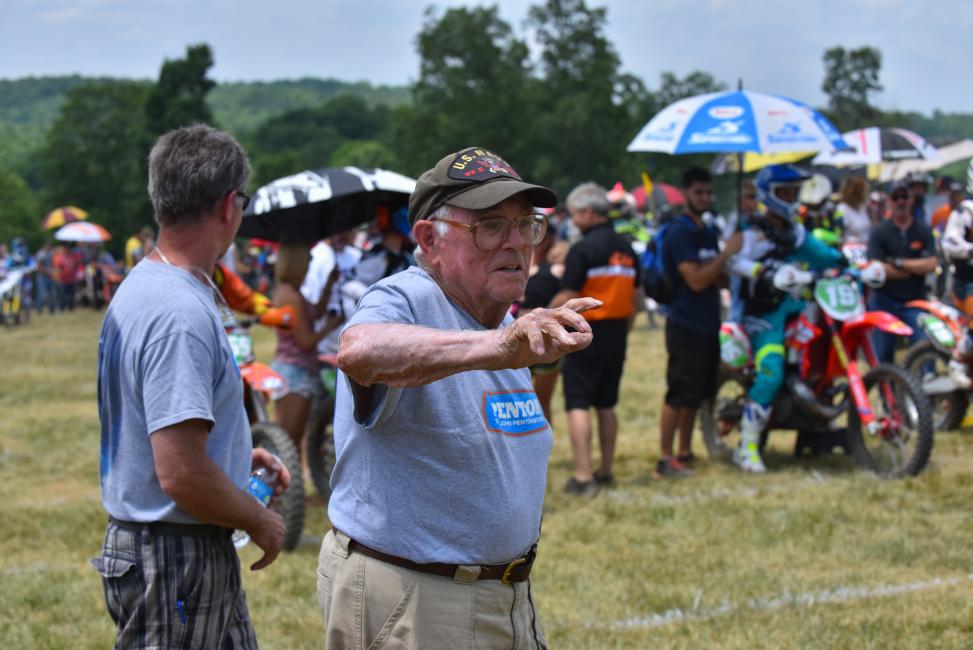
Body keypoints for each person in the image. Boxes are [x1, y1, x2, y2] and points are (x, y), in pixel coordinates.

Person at [318, 146, 597, 649]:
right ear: (430, 238)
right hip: (415, 600)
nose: (516, 242)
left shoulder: (500, 318)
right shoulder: (406, 296)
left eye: (526, 224)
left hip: (501, 596)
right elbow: (358, 351)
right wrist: (497, 347)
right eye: (490, 226)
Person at [92, 124, 291, 649]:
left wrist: (234, 453)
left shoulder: (149, 283)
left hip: (177, 550)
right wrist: (260, 519)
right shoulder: (178, 312)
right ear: (228, 205)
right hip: (176, 558)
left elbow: (157, 427)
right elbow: (180, 473)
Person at [728, 165, 843, 472]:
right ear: (769, 194)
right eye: (785, 193)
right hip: (762, 315)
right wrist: (762, 271)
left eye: (794, 192)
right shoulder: (750, 230)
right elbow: (733, 260)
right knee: (771, 372)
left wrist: (849, 259)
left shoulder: (796, 231)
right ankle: (747, 446)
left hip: (797, 309)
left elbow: (822, 254)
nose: (791, 198)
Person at [549, 183, 639, 495]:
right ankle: (606, 470)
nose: (573, 221)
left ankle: (583, 475)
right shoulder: (627, 248)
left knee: (578, 402)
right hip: (618, 332)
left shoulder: (583, 249)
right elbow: (637, 298)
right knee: (607, 402)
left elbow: (568, 294)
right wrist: (626, 329)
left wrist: (539, 314)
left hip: (585, 333)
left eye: (575, 214)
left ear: (588, 213)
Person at [656, 168, 742, 477]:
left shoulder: (706, 230)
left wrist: (728, 264)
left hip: (707, 322)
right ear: (686, 194)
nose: (705, 198)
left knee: (695, 394)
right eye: (699, 192)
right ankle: (665, 457)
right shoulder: (680, 232)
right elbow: (695, 280)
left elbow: (715, 278)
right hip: (684, 323)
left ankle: (684, 451)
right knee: (678, 393)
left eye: (708, 192)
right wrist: (725, 254)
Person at [270, 242, 342, 451]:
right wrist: (330, 327)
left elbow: (314, 314)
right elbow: (305, 341)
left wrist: (329, 284)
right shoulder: (290, 296)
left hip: (298, 369)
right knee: (286, 443)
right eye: (307, 262)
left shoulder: (293, 292)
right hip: (293, 371)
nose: (309, 266)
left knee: (293, 440)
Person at [866, 180, 938, 364]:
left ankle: (926, 381)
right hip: (884, 300)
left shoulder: (923, 230)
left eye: (904, 197)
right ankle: (886, 383)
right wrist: (913, 270)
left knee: (926, 348)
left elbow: (931, 264)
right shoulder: (879, 232)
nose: (901, 201)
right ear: (890, 201)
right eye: (896, 197)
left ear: (911, 199)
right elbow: (875, 269)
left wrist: (898, 263)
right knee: (882, 354)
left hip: (916, 301)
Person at [520, 225, 568, 425]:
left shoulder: (557, 269)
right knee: (519, 398)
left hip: (547, 338)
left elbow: (567, 296)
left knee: (541, 400)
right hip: (521, 337)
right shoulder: (522, 267)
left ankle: (544, 440)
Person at [938, 162, 973, 386]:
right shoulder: (965, 211)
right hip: (967, 281)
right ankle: (959, 359)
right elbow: (949, 245)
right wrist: (970, 250)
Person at [834, 175, 872, 243]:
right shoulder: (841, 209)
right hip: (851, 246)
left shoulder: (864, 208)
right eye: (864, 192)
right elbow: (838, 234)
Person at [34, 241, 56, 314]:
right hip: (41, 277)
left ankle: (52, 310)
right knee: (41, 294)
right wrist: (48, 271)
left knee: (51, 294)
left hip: (50, 277)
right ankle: (39, 310)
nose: (48, 247)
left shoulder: (51, 253)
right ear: (44, 246)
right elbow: (38, 267)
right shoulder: (40, 254)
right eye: (47, 245)